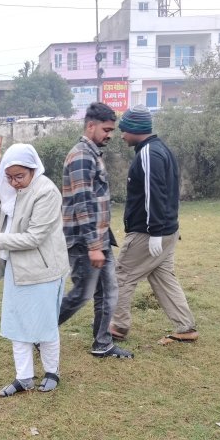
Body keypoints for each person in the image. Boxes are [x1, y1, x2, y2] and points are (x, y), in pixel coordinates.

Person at [0, 144, 70, 396]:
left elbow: (33, 237)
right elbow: (6, 218)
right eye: (9, 177)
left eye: (20, 177)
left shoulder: (46, 192)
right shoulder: (14, 192)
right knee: (17, 325)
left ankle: (52, 372)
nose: (14, 183)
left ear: (33, 169)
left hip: (44, 271)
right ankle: (23, 377)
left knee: (45, 325)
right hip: (18, 269)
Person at [110, 105, 198, 345]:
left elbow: (155, 194)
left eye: (124, 130)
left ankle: (117, 325)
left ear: (135, 129)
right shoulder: (161, 150)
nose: (121, 135)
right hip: (166, 231)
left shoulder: (149, 153)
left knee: (122, 275)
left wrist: (156, 231)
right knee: (162, 277)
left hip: (148, 232)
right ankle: (185, 327)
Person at [57, 103, 134, 359]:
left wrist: (100, 242)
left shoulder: (92, 154)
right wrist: (93, 246)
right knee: (82, 294)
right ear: (91, 126)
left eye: (112, 130)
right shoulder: (80, 156)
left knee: (108, 292)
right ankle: (38, 332)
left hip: (99, 238)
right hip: (84, 241)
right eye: (106, 129)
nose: (110, 135)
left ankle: (103, 343)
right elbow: (82, 203)